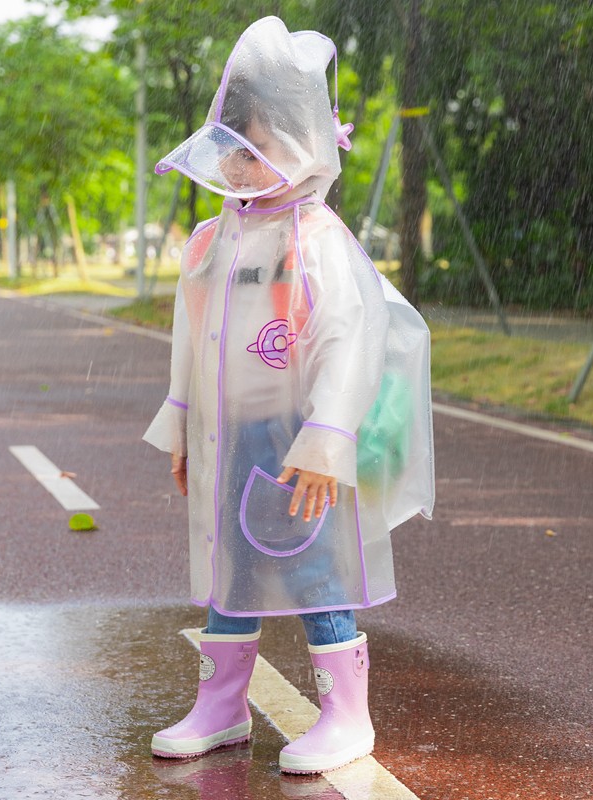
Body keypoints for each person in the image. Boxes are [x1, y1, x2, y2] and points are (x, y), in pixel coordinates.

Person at [143, 15, 434, 775]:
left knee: (313, 568)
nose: (240, 169)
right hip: (231, 433)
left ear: (303, 148)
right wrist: (181, 427)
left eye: (258, 151)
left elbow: (350, 341)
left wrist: (328, 439)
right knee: (230, 566)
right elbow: (190, 340)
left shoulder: (317, 239)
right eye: (233, 151)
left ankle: (346, 714)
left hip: (297, 436)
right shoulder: (212, 242)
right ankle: (221, 705)